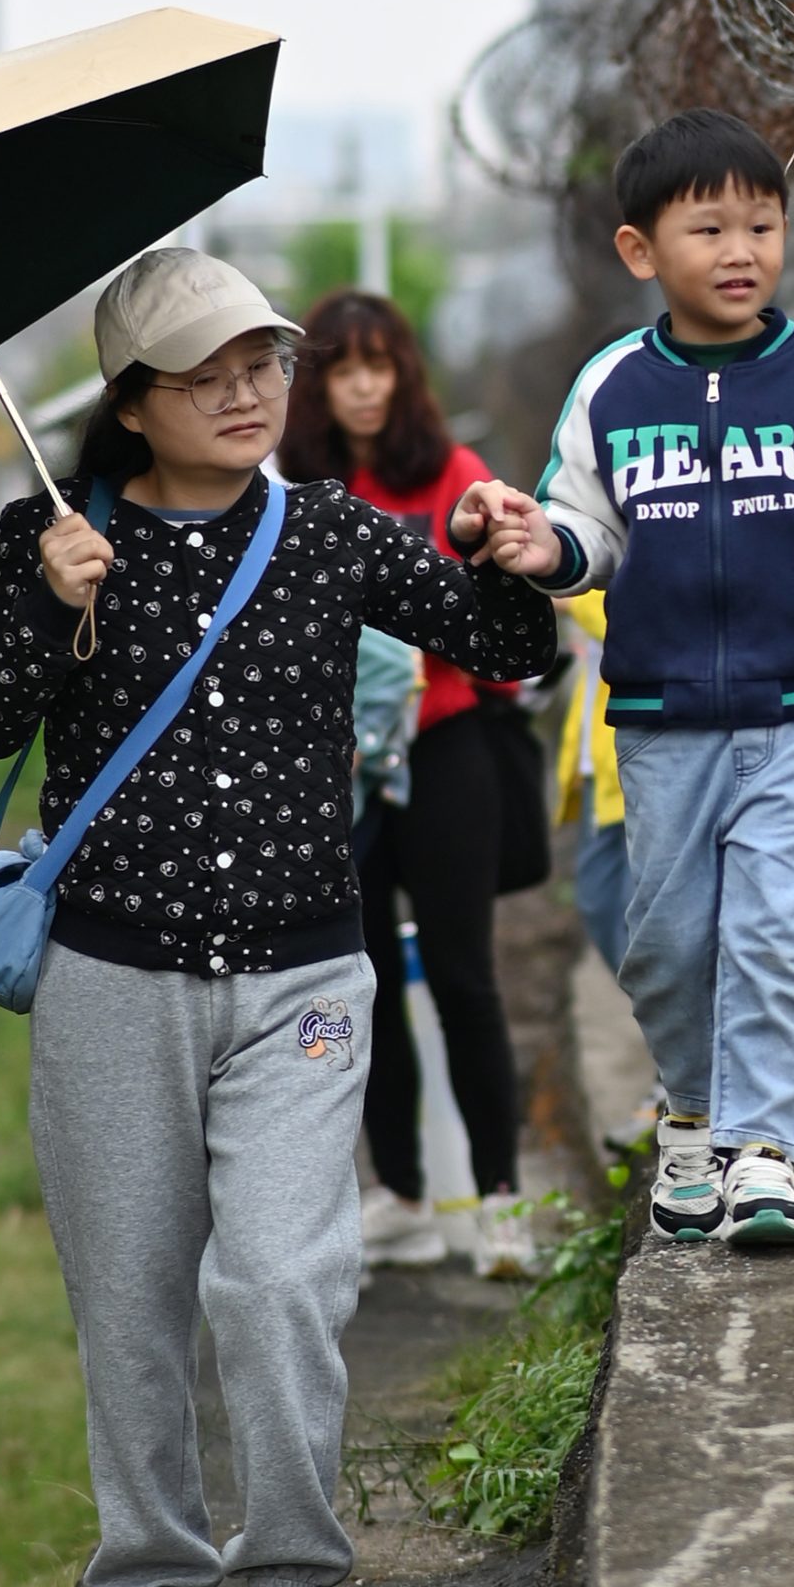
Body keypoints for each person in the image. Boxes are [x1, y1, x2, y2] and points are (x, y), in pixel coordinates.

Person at [0, 248, 553, 1587]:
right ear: (131, 404)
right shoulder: (54, 535)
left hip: (300, 981)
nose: (246, 392)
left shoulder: (326, 527)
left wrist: (519, 550)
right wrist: (44, 603)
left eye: (261, 363)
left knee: (282, 1285)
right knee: (130, 1306)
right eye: (204, 374)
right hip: (108, 983)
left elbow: (509, 649)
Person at [470, 108, 794, 1249]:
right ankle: (689, 1115)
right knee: (671, 944)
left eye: (761, 225)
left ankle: (762, 1154)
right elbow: (588, 533)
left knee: (777, 936)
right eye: (709, 229)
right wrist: (540, 546)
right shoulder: (611, 388)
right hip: (662, 721)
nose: (741, 251)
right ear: (640, 250)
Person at [279, 289, 540, 1281]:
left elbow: (501, 619)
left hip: (444, 747)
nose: (361, 386)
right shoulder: (295, 489)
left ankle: (501, 1200)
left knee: (465, 976)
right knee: (362, 979)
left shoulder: (454, 477)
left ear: (403, 374)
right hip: (336, 764)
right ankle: (399, 1193)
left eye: (378, 365)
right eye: (342, 368)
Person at [553, 591, 629, 975]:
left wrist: (569, 600)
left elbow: (624, 622)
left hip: (633, 772)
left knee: (635, 911)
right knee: (597, 902)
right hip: (598, 773)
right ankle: (654, 1002)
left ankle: (668, 1004)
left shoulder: (597, 593)